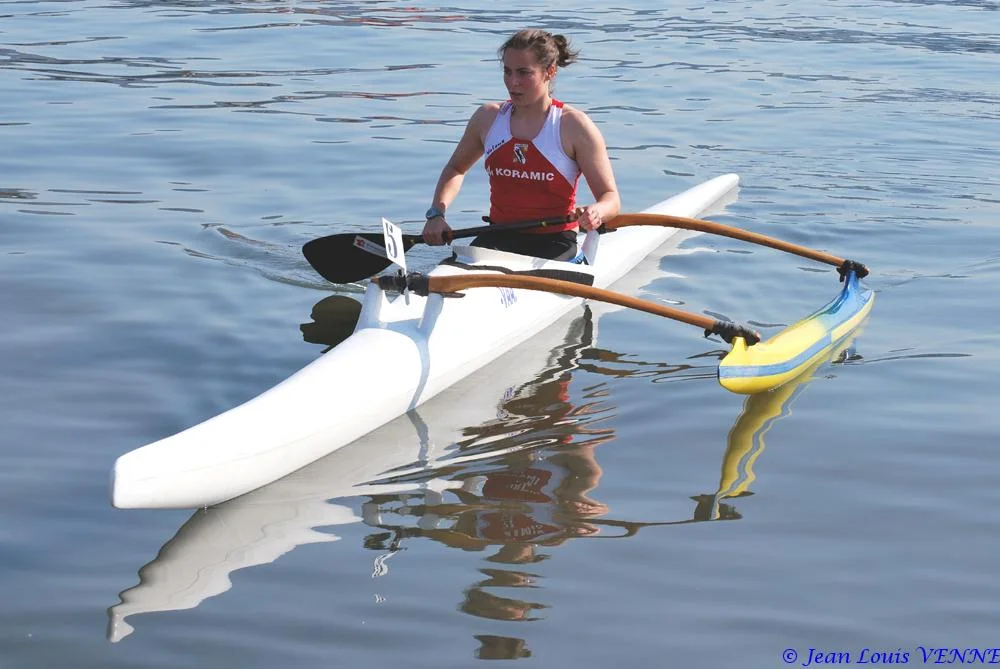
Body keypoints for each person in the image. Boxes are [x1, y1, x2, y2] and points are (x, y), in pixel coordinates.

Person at [421, 29, 621, 260]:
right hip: (497, 235)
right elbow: (455, 169)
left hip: (554, 243)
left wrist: (597, 211)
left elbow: (610, 198)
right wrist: (436, 213)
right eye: (507, 71)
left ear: (550, 72)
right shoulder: (487, 119)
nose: (513, 82)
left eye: (524, 73)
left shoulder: (574, 126)